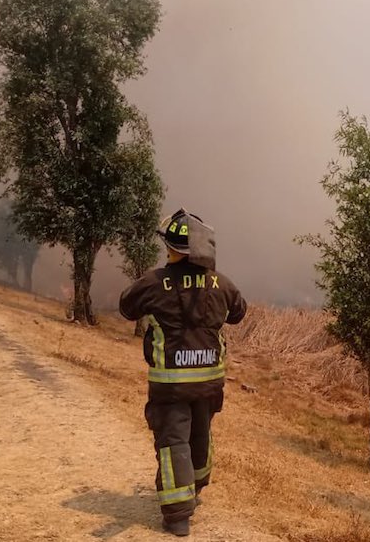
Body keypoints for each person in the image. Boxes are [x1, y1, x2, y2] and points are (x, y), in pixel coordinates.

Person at [118, 209, 246, 537]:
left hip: (171, 383)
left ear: (174, 249)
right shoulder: (222, 282)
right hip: (209, 380)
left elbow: (126, 307)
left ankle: (177, 515)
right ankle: (196, 487)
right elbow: (238, 312)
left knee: (174, 440)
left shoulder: (155, 281)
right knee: (200, 434)